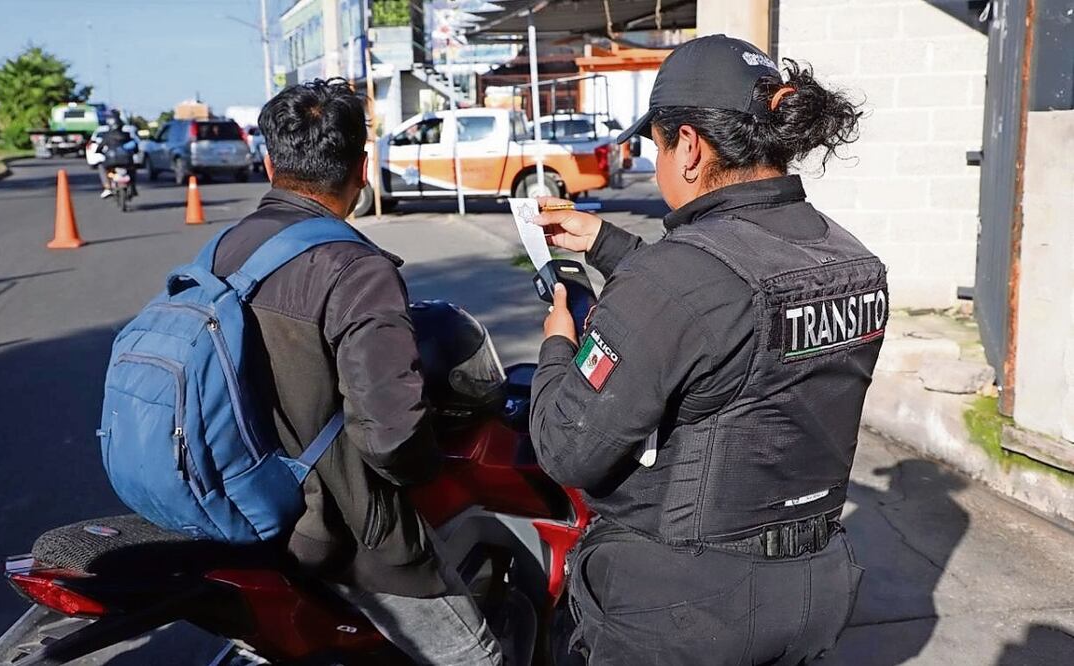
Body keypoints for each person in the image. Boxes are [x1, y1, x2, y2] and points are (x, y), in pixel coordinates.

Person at [531, 35, 882, 665]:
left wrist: (559, 347)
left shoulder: (676, 280)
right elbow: (726, 319)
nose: (657, 163)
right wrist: (608, 244)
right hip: (814, 586)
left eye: (656, 147)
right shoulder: (849, 257)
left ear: (689, 147)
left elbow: (568, 448)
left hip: (684, 609)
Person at [212, 78, 502, 665]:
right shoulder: (356, 269)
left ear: (270, 161)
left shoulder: (222, 251)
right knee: (478, 658)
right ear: (362, 167)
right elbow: (391, 435)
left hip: (234, 510)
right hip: (334, 531)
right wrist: (424, 468)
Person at [97, 113, 138, 198]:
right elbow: (135, 146)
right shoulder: (126, 135)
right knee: (132, 170)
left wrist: (99, 152)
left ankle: (107, 188)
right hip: (126, 160)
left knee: (102, 167)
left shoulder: (107, 135)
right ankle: (133, 187)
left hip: (110, 161)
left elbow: (99, 147)